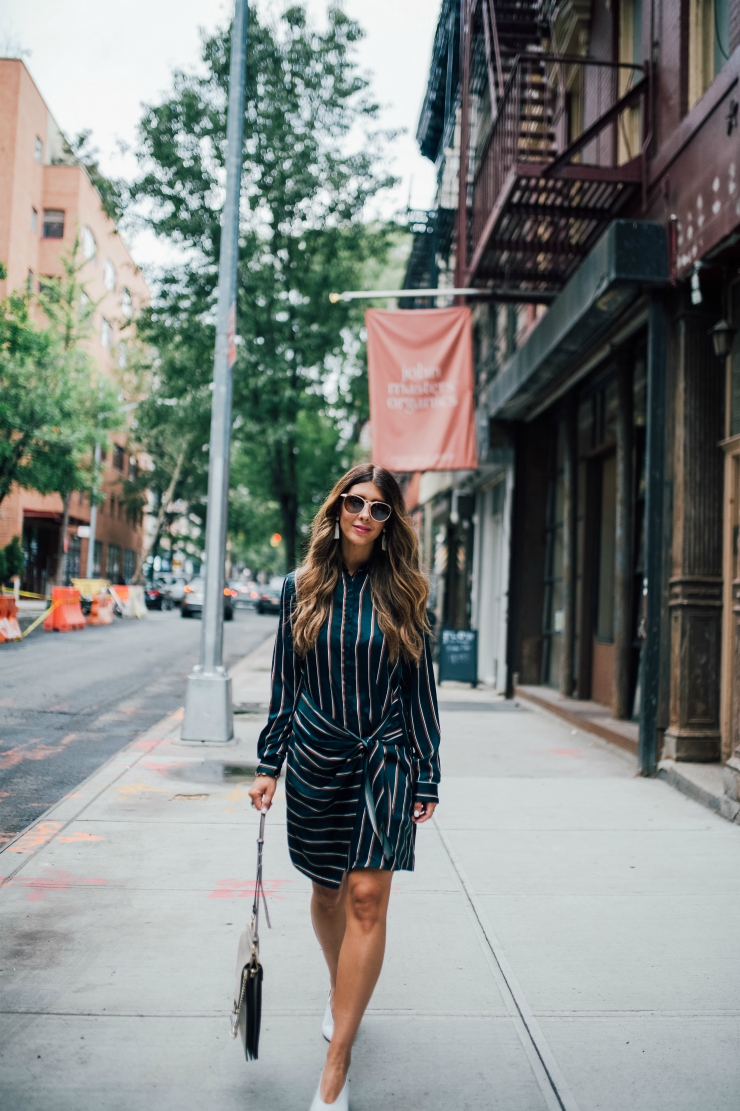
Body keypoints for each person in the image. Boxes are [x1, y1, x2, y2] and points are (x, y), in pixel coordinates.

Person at [248, 464, 441, 1110]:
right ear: (337, 509)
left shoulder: (407, 592)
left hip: (384, 760)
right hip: (314, 759)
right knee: (329, 893)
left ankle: (337, 1064)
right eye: (355, 502)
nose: (364, 514)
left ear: (391, 523)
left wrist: (427, 767)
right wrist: (268, 763)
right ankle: (343, 990)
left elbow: (420, 690)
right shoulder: (299, 588)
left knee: (365, 900)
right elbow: (285, 686)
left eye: (379, 508)